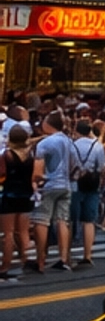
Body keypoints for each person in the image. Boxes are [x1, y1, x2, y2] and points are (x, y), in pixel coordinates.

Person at [33, 109, 73, 272]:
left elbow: (38, 171)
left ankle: (40, 259)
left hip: (49, 185)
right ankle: (63, 258)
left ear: (48, 124)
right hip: (65, 184)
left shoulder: (44, 143)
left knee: (41, 221)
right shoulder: (68, 141)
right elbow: (73, 165)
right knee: (62, 221)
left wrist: (36, 183)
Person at [68, 118, 105, 265]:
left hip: (75, 184)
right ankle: (87, 255)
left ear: (76, 131)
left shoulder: (71, 146)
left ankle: (66, 255)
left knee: (70, 220)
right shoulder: (97, 146)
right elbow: (101, 168)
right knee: (89, 221)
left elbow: (69, 166)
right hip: (92, 184)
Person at [0, 124, 34, 280]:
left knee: (8, 233)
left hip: (9, 195)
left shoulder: (6, 156)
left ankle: (5, 264)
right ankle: (25, 259)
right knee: (24, 231)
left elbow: (1, 175)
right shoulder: (30, 156)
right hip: (26, 194)